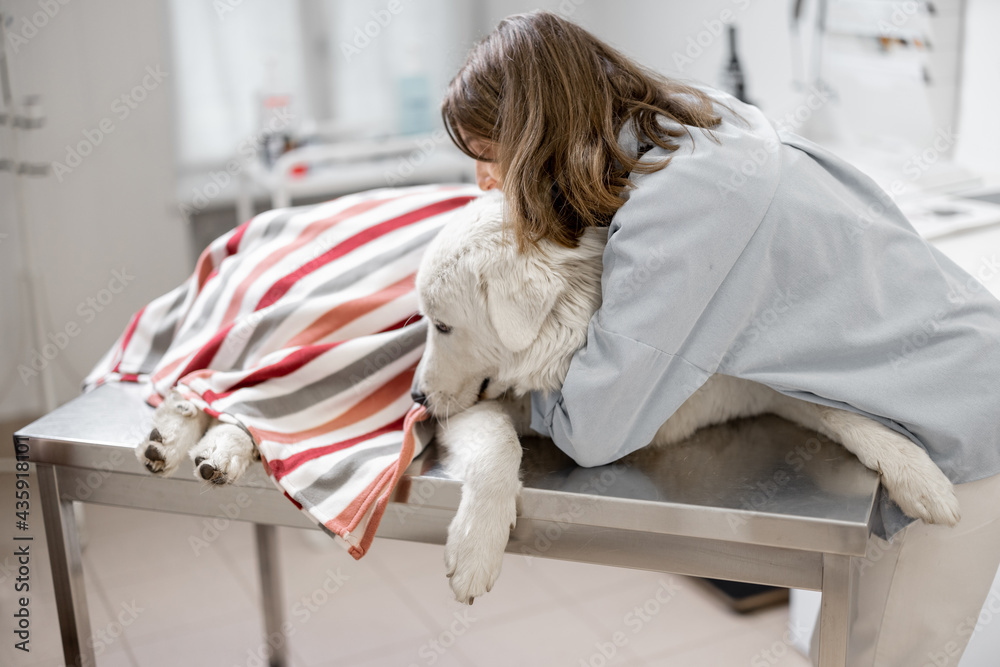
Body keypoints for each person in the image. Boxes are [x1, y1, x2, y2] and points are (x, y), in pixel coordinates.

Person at [441, 10, 1000, 667]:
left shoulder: (675, 211)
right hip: (956, 359)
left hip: (954, 412)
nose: (484, 181)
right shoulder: (699, 123)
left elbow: (595, 428)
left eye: (487, 155)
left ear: (536, 131)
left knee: (882, 655)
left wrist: (496, 398)